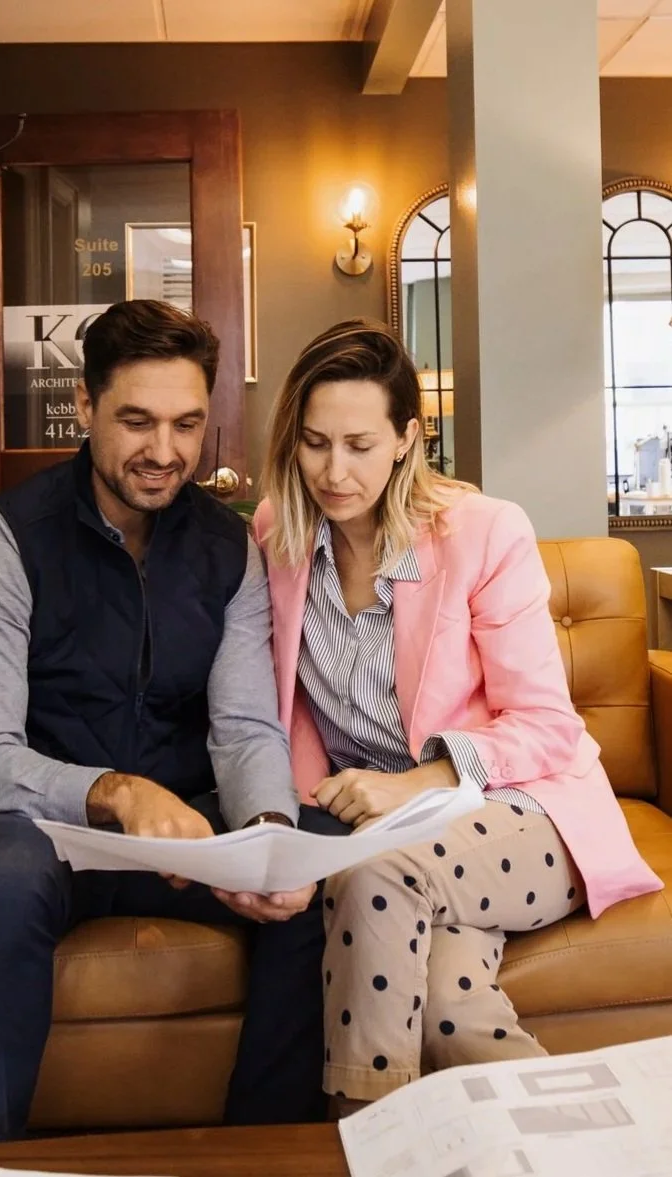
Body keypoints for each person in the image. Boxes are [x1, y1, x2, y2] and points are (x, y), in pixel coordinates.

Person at [0, 299, 346, 1145]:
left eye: (187, 424)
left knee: (318, 859)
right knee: (1, 875)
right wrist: (116, 791)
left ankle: (258, 1148)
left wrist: (264, 833)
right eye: (137, 421)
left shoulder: (229, 549)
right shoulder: (8, 540)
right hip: (32, 831)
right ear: (85, 407)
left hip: (181, 836)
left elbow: (243, 726)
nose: (165, 451)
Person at [253, 318, 662, 1110]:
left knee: (374, 869)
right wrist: (295, 820)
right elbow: (290, 708)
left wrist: (418, 782)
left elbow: (547, 724)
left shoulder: (482, 531)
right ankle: (583, 1141)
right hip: (401, 839)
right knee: (448, 1014)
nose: (334, 471)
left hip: (522, 812)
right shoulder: (279, 533)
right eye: (315, 442)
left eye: (360, 445)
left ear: (408, 437)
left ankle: (363, 1134)